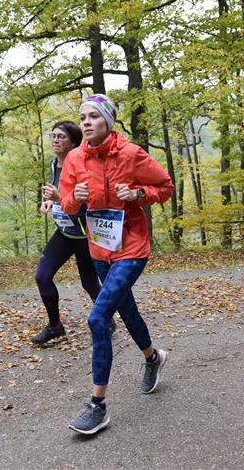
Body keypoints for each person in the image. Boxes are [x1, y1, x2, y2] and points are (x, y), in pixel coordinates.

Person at [59, 94, 174, 435]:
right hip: (99, 249)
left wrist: (138, 194)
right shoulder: (75, 159)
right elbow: (66, 203)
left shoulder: (131, 154)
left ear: (108, 121)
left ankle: (97, 405)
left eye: (94, 116)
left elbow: (165, 187)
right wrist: (74, 198)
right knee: (127, 310)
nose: (86, 122)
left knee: (98, 318)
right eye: (83, 117)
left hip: (132, 247)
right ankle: (153, 358)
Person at [31, 120, 112, 346]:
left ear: (74, 142)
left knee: (90, 283)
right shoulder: (53, 164)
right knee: (42, 276)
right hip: (65, 233)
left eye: (61, 137)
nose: (55, 140)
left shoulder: (82, 167)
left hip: (85, 235)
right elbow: (56, 193)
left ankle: (106, 319)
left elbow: (89, 205)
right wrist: (50, 202)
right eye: (53, 136)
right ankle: (55, 327)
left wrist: (59, 198)